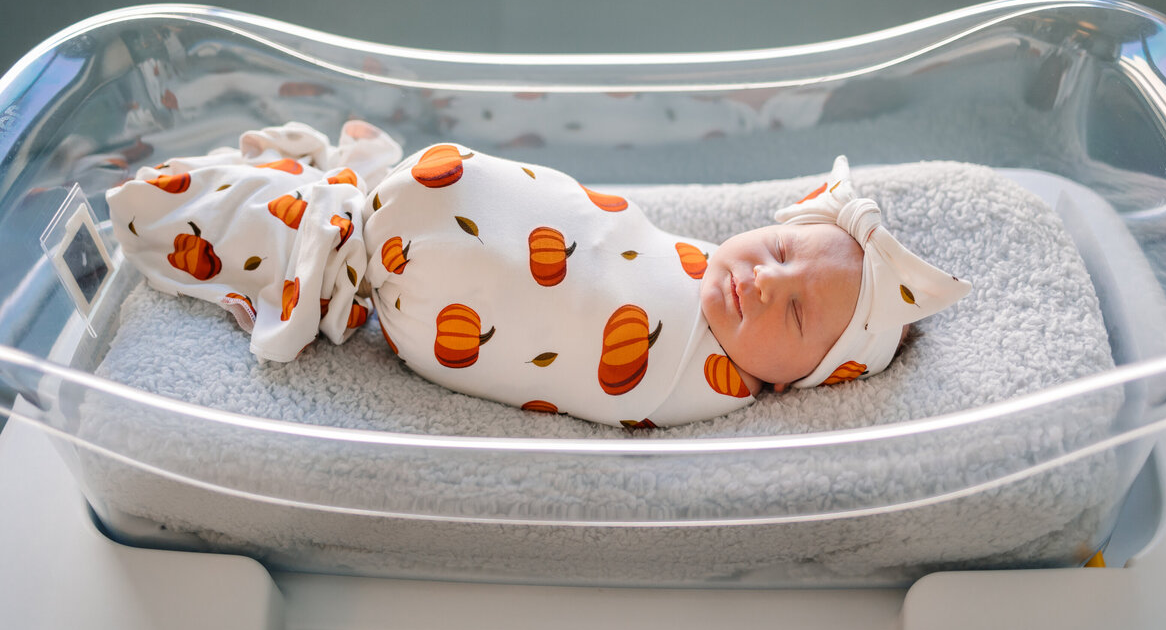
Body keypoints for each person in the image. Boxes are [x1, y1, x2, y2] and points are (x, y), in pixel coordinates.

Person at [107, 121, 969, 428]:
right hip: (442, 215)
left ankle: (317, 228)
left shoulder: (709, 384)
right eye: (780, 255)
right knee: (312, 218)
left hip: (427, 287)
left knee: (265, 227)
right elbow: (602, 228)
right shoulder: (706, 268)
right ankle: (342, 209)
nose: (766, 286)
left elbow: (567, 330)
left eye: (796, 318)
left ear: (808, 380)